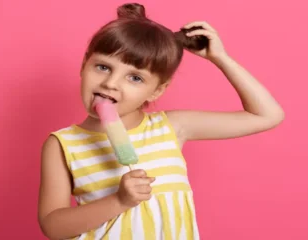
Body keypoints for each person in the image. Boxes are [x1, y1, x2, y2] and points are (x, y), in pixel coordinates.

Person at [38, 3, 285, 240]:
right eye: (103, 67)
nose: (111, 83)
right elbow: (52, 226)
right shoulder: (63, 144)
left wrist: (220, 58)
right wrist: (119, 201)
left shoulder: (172, 127)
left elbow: (266, 115)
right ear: (84, 65)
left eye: (134, 78)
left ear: (157, 91)